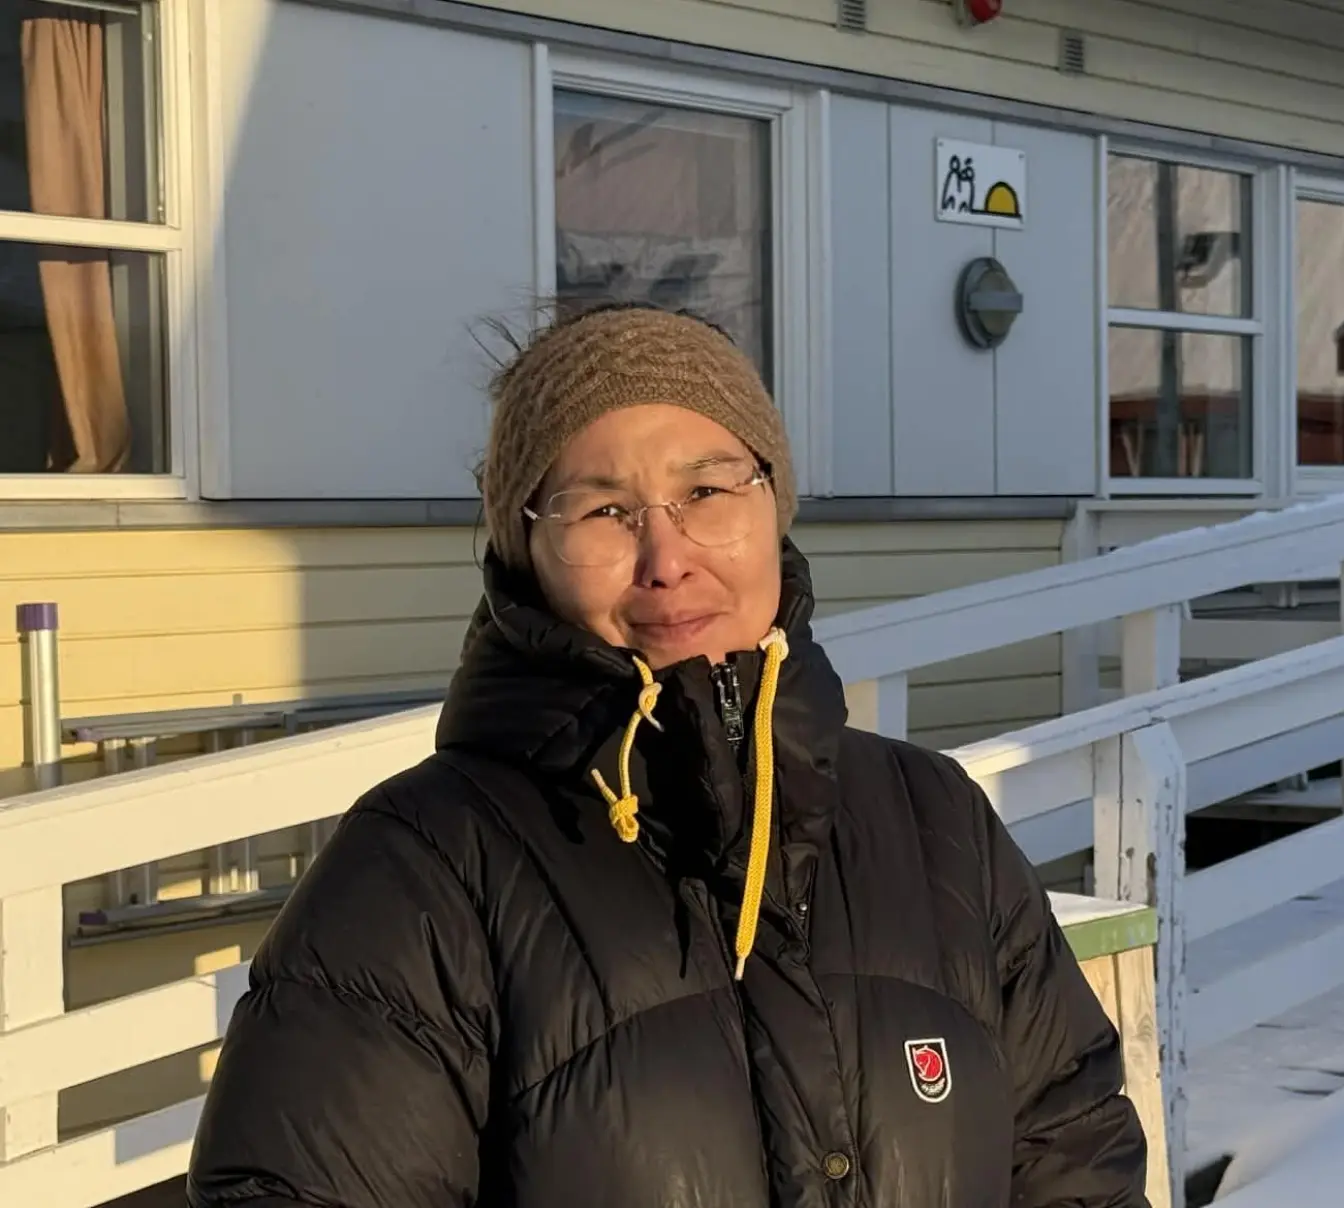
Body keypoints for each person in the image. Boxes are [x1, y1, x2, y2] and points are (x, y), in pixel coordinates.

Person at [186, 303, 1152, 1208]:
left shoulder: (933, 819)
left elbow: (1076, 1161)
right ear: (526, 552)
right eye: (602, 511)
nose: (667, 558)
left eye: (706, 491)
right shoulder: (425, 869)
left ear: (773, 505)